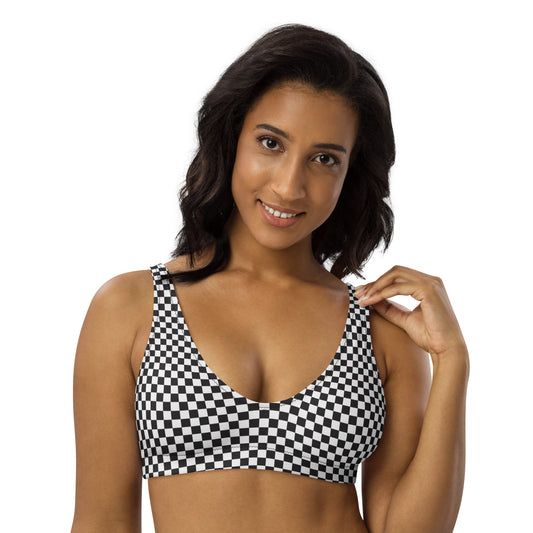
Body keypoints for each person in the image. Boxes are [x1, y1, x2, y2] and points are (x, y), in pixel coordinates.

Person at [71, 24, 469, 533]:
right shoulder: (131, 307)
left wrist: (452, 361)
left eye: (324, 159)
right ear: (231, 139)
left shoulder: (381, 330)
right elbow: (101, 522)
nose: (288, 185)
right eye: (270, 142)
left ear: (350, 173)